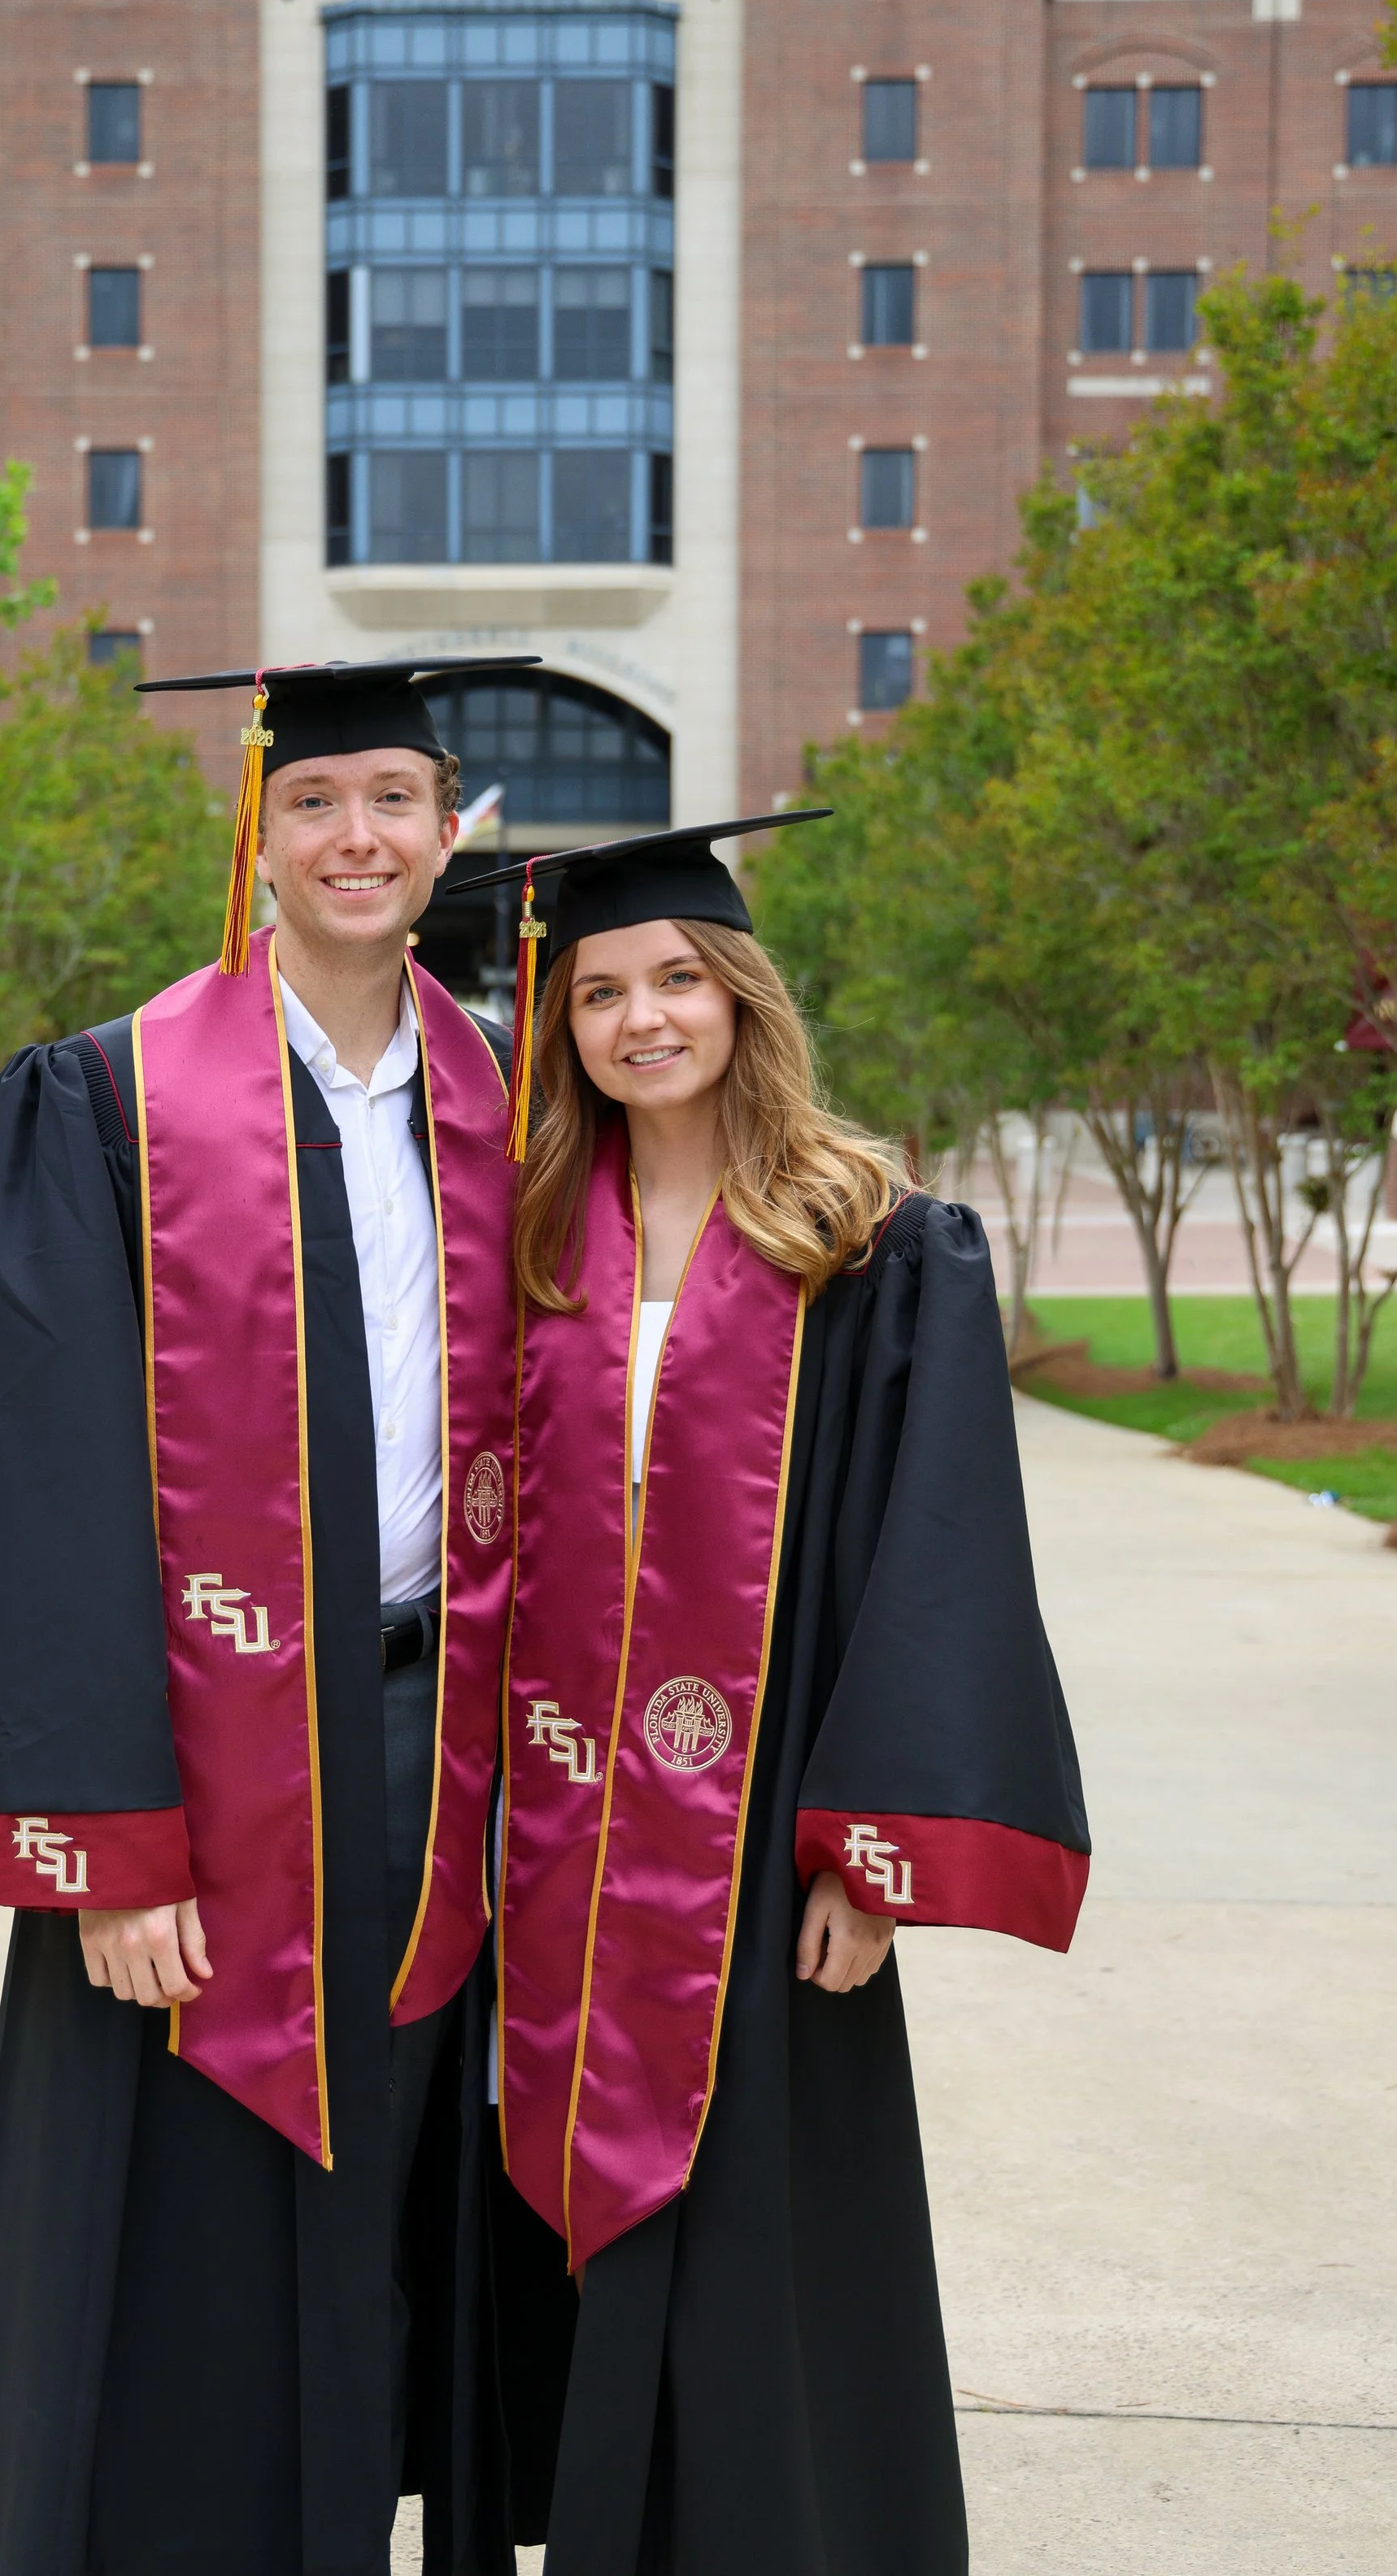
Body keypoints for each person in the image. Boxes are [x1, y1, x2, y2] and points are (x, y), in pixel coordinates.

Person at [0, 658, 539, 2576]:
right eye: (316, 804)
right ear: (258, 831)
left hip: (440, 1738)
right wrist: (108, 1841)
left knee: (408, 2184)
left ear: (447, 828)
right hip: (188, 1753)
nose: (357, 836)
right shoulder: (107, 1098)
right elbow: (34, 1493)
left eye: (393, 797)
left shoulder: (516, 1095)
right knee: (173, 2216)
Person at [450, 819, 1090, 2576]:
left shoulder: (873, 1245)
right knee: (550, 2197)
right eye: (595, 991)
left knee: (760, 2234)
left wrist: (867, 1858)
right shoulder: (520, 1243)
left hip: (752, 1847)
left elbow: (934, 1562)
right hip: (552, 1837)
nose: (637, 1019)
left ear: (740, 998)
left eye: (673, 980)